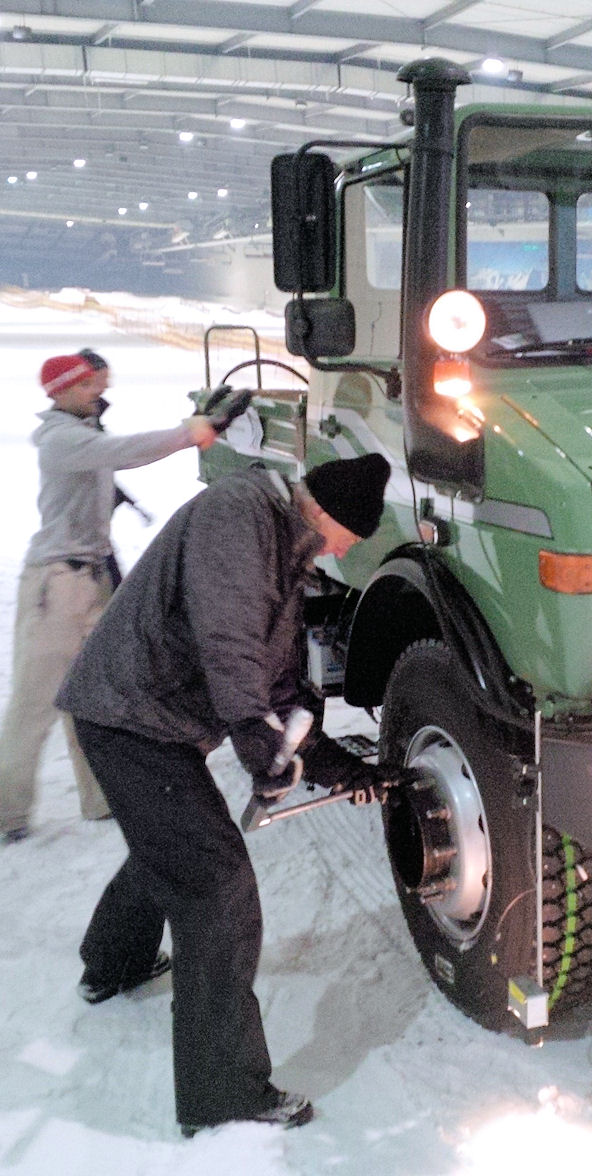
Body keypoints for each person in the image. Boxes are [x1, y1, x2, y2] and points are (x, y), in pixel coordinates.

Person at [55, 452, 399, 1136]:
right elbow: (228, 641)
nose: (345, 550)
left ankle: (111, 964)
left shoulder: (283, 549)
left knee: (173, 843)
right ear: (325, 513)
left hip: (146, 719)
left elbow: (276, 685)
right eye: (350, 537)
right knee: (214, 881)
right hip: (127, 716)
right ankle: (224, 1095)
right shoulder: (238, 516)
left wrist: (338, 768)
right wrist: (252, 740)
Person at [0, 351, 242, 844]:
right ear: (59, 391)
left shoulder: (84, 432)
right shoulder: (61, 439)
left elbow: (106, 460)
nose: (97, 395)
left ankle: (100, 800)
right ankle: (8, 814)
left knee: (90, 697)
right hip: (55, 586)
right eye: (86, 388)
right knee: (35, 703)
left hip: (93, 579)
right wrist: (192, 431)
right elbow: (124, 451)